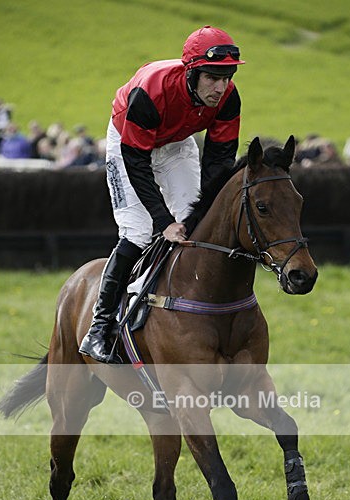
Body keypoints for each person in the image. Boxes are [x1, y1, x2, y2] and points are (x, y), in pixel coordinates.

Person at [79, 25, 244, 363]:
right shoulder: (150, 92)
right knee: (139, 232)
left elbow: (220, 159)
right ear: (192, 72)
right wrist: (163, 220)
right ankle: (98, 327)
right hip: (129, 144)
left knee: (194, 227)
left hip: (175, 142)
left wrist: (200, 211)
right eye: (213, 77)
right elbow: (136, 161)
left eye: (226, 77)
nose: (221, 87)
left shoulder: (229, 98)